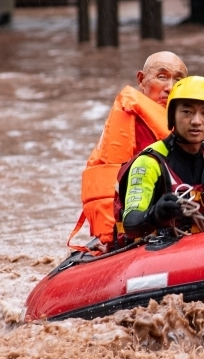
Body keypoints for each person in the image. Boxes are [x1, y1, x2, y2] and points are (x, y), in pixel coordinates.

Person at [69, 51, 188, 250]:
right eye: (161, 77)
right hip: (130, 227)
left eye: (178, 80)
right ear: (141, 80)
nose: (170, 87)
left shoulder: (181, 124)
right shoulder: (135, 121)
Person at [115, 76, 204, 240]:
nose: (196, 121)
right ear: (172, 115)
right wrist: (156, 213)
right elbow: (131, 224)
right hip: (158, 253)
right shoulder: (149, 162)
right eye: (187, 112)